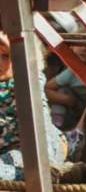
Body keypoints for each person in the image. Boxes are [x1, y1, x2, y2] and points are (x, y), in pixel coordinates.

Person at [0, 31, 66, 181]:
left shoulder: (28, 81)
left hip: (33, 152)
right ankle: (73, 172)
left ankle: (78, 171)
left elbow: (40, 131)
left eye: (5, 56)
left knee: (17, 164)